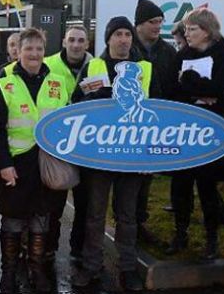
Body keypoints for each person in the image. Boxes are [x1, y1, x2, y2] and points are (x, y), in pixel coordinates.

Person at [70, 16, 160, 292]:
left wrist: (150, 157)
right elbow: (76, 102)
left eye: (127, 34)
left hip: (132, 156)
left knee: (127, 216)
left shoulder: (145, 68)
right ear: (108, 38)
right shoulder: (94, 66)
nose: (123, 39)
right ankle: (91, 267)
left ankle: (128, 269)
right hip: (100, 156)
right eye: (118, 34)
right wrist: (95, 98)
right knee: (95, 214)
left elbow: (160, 112)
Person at [0, 28, 70, 294]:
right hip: (15, 163)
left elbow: (66, 121)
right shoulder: (4, 83)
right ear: (18, 51)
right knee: (12, 221)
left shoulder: (58, 82)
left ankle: (37, 270)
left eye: (39, 49)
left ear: (44, 51)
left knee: (40, 219)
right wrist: (4, 165)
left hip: (46, 163)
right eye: (28, 49)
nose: (34, 54)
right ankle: (9, 273)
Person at [165, 8, 224, 260]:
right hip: (184, 130)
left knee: (208, 187)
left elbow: (220, 88)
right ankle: (180, 233)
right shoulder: (182, 55)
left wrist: (188, 81)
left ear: (207, 32)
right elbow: (171, 90)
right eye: (186, 29)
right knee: (181, 185)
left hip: (211, 131)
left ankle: (212, 239)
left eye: (192, 29)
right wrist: (198, 90)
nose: (186, 34)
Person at [42, 25, 92, 266]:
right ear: (64, 41)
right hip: (59, 142)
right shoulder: (49, 64)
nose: (75, 45)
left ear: (87, 44)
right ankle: (49, 246)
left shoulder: (97, 66)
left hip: (87, 143)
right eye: (71, 40)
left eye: (80, 40)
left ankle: (78, 247)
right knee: (55, 200)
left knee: (84, 200)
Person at [132, 0, 178, 244]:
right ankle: (128, 222)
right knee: (130, 177)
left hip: (155, 125)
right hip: (130, 126)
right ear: (139, 24)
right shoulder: (127, 47)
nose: (158, 26)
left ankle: (139, 222)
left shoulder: (168, 51)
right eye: (153, 22)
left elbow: (173, 87)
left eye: (160, 21)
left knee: (146, 175)